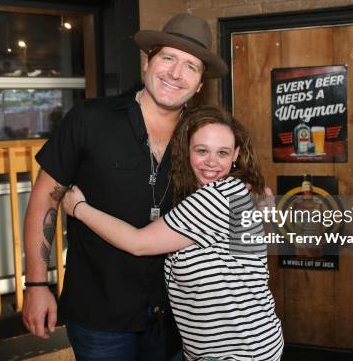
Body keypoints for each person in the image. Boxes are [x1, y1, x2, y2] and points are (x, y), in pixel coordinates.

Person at [22, 13, 229, 360]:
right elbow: (45, 197)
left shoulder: (200, 136)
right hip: (101, 313)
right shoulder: (90, 119)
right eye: (168, 58)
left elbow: (229, 187)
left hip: (179, 316)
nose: (176, 74)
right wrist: (36, 284)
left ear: (199, 82)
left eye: (190, 67)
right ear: (148, 61)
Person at [62, 106, 284, 360]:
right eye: (202, 151)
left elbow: (138, 242)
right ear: (186, 151)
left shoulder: (219, 197)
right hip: (250, 343)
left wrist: (79, 208)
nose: (212, 162)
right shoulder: (239, 192)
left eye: (222, 153)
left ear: (236, 154)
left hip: (235, 351)